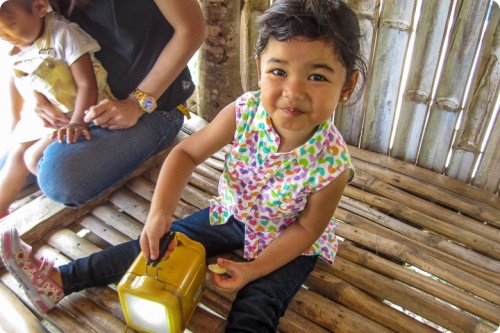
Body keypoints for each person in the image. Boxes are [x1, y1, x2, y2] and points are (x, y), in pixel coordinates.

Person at [1, 0, 367, 330]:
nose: (293, 92)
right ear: (259, 68)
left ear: (347, 86)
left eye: (317, 76)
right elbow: (185, 154)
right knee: (154, 245)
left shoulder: (333, 164)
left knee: (259, 302)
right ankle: (60, 281)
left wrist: (253, 270)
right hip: (231, 214)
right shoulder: (245, 111)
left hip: (288, 240)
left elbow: (305, 230)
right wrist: (160, 213)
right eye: (279, 71)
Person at [0, 0, 206, 214]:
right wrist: (36, 93)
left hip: (154, 105)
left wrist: (137, 103)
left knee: (57, 176)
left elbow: (191, 30)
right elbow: (21, 42)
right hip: (82, 104)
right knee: (9, 162)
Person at [0, 0, 115, 219]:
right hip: (56, 111)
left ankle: (59, 203)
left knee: (32, 157)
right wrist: (16, 122)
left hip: (84, 110)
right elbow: (17, 78)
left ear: (40, 8)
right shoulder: (18, 42)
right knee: (16, 152)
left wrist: (77, 122)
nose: (4, 36)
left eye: (10, 25)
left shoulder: (64, 35)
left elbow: (86, 85)